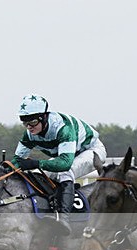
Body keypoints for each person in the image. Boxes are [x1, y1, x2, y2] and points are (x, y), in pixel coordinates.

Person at [11, 94, 107, 235]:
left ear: (43, 117)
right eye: (24, 123)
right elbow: (17, 160)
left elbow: (64, 164)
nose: (28, 127)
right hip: (68, 155)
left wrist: (35, 163)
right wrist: (5, 167)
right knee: (35, 174)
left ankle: (64, 218)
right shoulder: (29, 134)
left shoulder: (63, 128)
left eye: (32, 122)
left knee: (64, 172)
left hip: (92, 151)